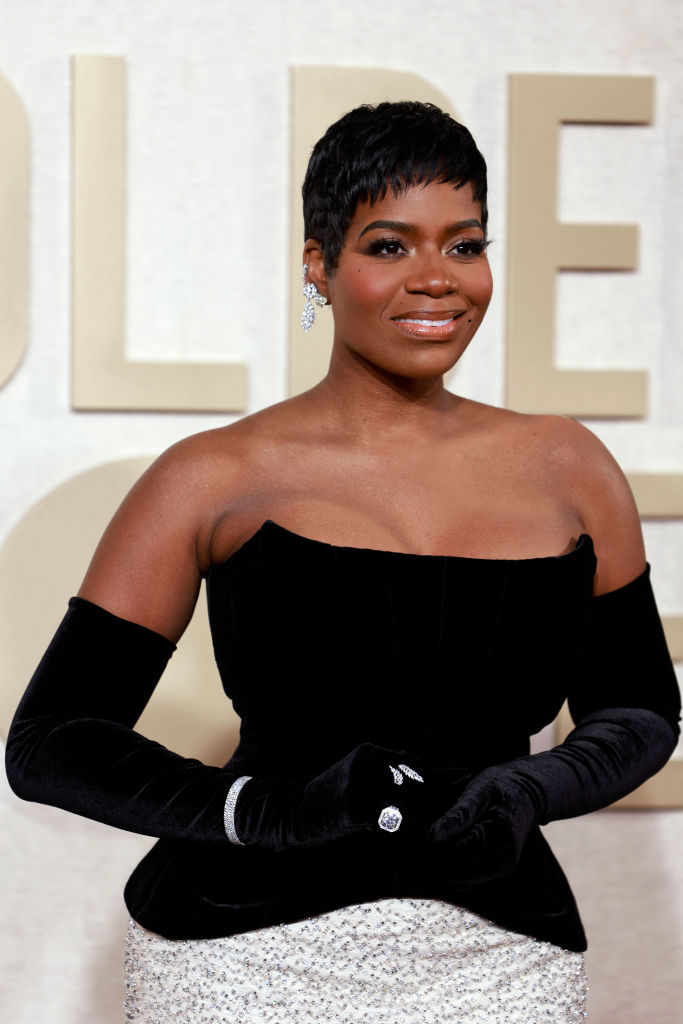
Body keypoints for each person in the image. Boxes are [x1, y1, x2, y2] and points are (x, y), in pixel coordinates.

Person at [5, 101, 681, 1023]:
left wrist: (529, 786)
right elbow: (52, 742)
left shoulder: (570, 466)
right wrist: (275, 812)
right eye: (389, 246)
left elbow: (638, 711)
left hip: (499, 957)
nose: (436, 279)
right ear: (317, 264)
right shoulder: (212, 476)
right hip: (239, 957)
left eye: (464, 245)